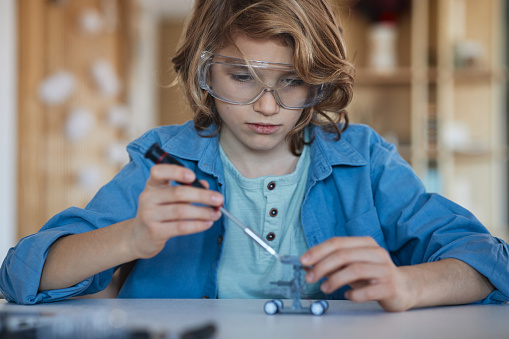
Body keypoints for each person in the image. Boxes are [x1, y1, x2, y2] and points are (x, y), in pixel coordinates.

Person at [1, 0, 508, 312]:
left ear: (321, 81)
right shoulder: (164, 162)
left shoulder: (366, 161)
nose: (267, 106)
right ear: (204, 73)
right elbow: (21, 275)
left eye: (292, 81)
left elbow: (487, 260)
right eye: (242, 77)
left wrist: (405, 284)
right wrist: (131, 236)